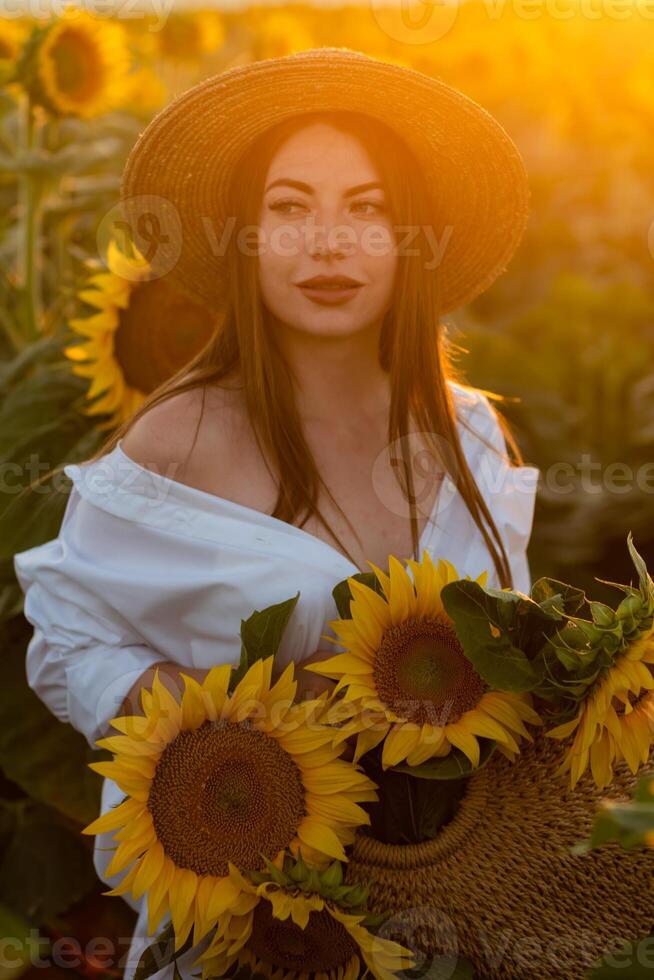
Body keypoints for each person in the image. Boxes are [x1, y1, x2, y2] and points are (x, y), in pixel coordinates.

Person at [13, 47, 539, 980]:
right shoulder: (181, 437)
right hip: (253, 929)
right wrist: (212, 721)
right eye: (289, 209)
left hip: (468, 918)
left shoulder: (469, 431)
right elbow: (65, 639)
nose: (326, 244)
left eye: (366, 210)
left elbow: (513, 656)